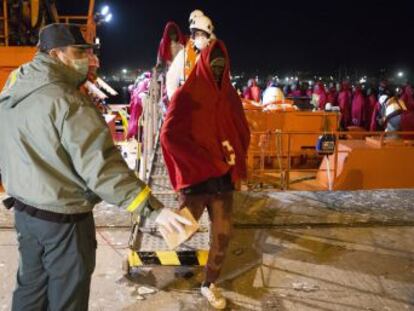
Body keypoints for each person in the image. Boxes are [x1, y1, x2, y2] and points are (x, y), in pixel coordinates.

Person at [0, 23, 190, 311]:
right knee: (68, 295)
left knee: (30, 287)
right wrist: (152, 208)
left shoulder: (16, 84)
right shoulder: (69, 102)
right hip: (63, 220)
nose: (90, 60)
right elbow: (102, 169)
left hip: (26, 211)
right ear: (55, 54)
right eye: (80, 52)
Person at [161, 40, 250, 309]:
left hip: (222, 180)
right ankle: (162, 235)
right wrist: (198, 161)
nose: (219, 71)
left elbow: (241, 131)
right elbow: (169, 136)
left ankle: (210, 282)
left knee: (223, 233)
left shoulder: (230, 95)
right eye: (214, 65)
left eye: (223, 66)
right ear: (204, 64)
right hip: (198, 179)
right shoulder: (186, 94)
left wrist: (237, 164)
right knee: (182, 229)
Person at [166, 14, 215, 100]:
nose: (200, 37)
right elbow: (171, 77)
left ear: (208, 36)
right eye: (197, 34)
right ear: (193, 35)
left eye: (203, 34)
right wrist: (175, 99)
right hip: (187, 103)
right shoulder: (184, 54)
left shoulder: (215, 56)